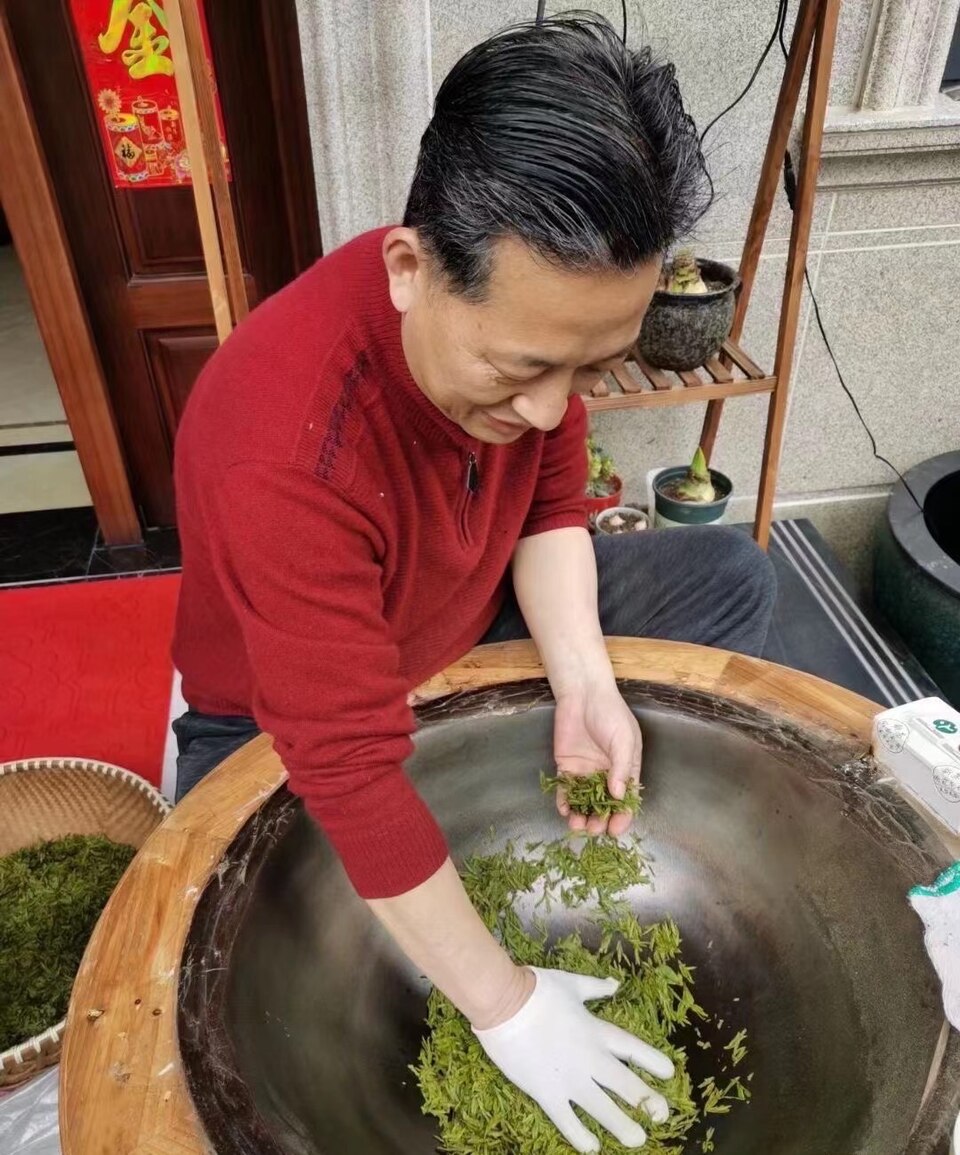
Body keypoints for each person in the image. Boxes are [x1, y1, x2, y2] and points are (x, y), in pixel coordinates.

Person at [172, 15, 776, 1152]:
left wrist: (585, 682)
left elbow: (551, 500)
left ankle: (544, 724)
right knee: (263, 922)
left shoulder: (516, 318)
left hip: (456, 619)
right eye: (525, 370)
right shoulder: (282, 444)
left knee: (729, 579)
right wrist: (508, 1008)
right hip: (277, 714)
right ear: (409, 270)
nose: (554, 408)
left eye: (588, 367)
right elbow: (345, 764)